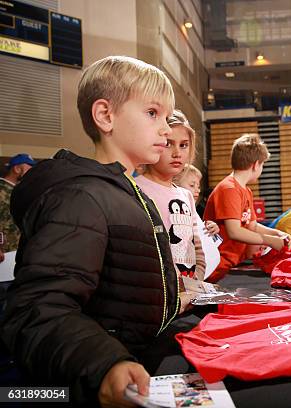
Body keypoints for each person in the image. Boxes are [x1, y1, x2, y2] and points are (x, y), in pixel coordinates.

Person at [1, 55, 181, 405]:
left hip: (143, 355)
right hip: (109, 372)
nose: (166, 129)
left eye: (167, 117)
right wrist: (104, 364)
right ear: (105, 116)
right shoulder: (82, 196)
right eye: (152, 113)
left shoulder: (122, 189)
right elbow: (38, 309)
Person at [136, 110, 218, 299]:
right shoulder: (139, 189)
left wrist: (196, 282)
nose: (176, 153)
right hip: (161, 296)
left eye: (184, 145)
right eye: (168, 144)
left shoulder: (185, 195)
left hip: (189, 292)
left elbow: (196, 245)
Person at [204, 134, 291, 281]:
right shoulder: (229, 189)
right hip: (218, 265)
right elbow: (235, 231)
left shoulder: (246, 190)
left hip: (234, 262)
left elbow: (252, 226)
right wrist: (269, 241)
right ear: (256, 164)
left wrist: (277, 234)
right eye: (262, 165)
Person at [0, 154, 36, 255]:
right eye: (29, 168)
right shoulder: (2, 189)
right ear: (17, 169)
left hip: (14, 251)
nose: (32, 173)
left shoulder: (16, 191)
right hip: (4, 252)